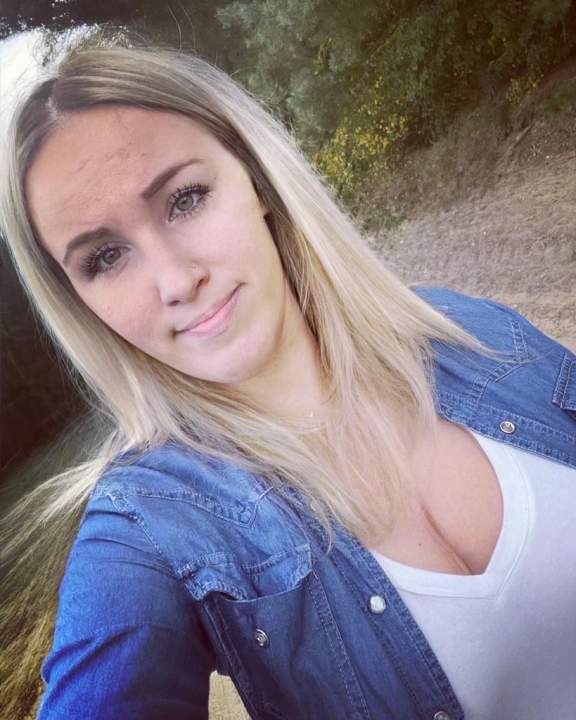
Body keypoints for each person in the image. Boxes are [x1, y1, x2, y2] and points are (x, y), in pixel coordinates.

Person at [1, 31, 575, 720]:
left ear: (255, 179)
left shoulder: (471, 330)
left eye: (185, 199)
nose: (176, 281)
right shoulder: (147, 530)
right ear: (78, 303)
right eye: (104, 258)